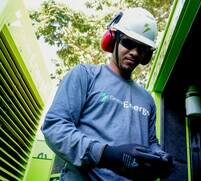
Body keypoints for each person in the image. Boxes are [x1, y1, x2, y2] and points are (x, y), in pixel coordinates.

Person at [42, 7, 173, 181]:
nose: (134, 52)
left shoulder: (147, 99)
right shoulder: (85, 75)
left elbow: (150, 142)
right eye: (128, 42)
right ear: (113, 39)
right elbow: (55, 127)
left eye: (142, 48)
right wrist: (105, 154)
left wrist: (159, 156)